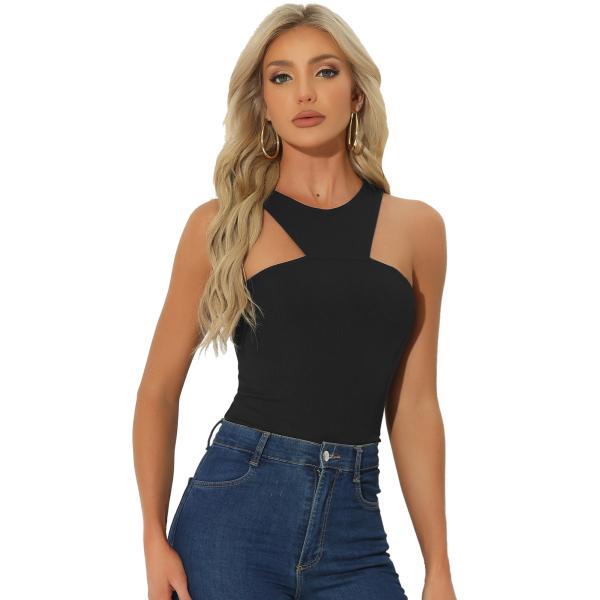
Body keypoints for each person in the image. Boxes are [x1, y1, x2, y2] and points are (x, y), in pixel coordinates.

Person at [133, 4, 456, 599]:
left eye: (325, 71)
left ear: (357, 92)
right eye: (281, 77)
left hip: (356, 530)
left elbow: (414, 403)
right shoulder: (221, 226)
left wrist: (438, 565)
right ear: (263, 102)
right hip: (233, 518)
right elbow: (157, 392)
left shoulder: (417, 229)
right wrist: (153, 537)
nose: (304, 92)